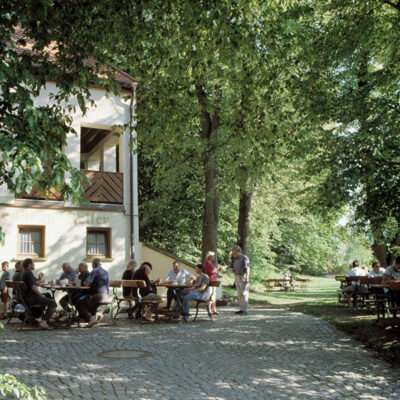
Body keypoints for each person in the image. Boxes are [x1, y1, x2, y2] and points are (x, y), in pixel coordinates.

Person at [21, 258, 57, 329]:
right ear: (29, 265)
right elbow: (33, 287)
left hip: (27, 297)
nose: (34, 265)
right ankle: (45, 322)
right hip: (31, 298)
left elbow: (35, 282)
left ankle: (52, 313)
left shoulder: (26, 272)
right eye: (33, 264)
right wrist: (40, 295)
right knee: (52, 302)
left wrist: (40, 278)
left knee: (47, 294)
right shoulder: (28, 273)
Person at [76, 258, 110, 328]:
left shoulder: (95, 271)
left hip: (97, 296)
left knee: (79, 302)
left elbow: (86, 283)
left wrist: (85, 282)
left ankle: (91, 319)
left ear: (94, 264)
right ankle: (94, 316)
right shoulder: (106, 272)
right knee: (87, 300)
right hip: (105, 296)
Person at [231, 245, 250, 315]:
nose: (233, 255)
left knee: (244, 293)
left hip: (243, 276)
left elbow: (247, 268)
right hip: (237, 276)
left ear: (238, 251)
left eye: (234, 253)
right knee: (239, 294)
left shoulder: (244, 258)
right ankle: (241, 309)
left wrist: (246, 277)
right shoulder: (236, 259)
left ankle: (245, 310)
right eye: (233, 254)